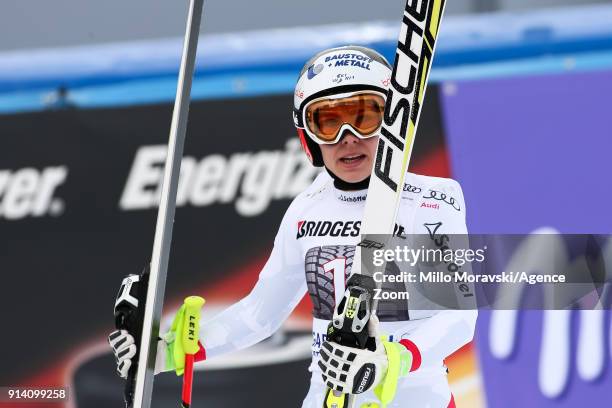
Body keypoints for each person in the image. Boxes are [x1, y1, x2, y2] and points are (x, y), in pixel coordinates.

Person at [109, 45, 477, 408]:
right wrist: (167, 354)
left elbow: (459, 316)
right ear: (309, 137)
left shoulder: (432, 200)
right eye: (328, 121)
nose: (347, 136)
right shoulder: (306, 209)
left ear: (393, 122)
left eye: (365, 116)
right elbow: (260, 314)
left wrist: (393, 359)